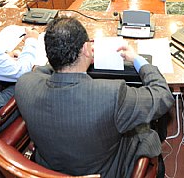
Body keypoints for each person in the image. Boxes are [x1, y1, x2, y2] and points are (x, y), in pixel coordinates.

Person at [14, 17, 174, 178]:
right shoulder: (111, 95)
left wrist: (69, 57)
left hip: (49, 169)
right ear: (85, 48)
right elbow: (163, 96)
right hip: (105, 171)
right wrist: (138, 60)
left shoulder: (24, 85)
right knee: (147, 133)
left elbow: (41, 71)